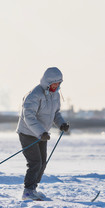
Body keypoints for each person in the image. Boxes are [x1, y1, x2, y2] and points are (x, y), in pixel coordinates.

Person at [16, 67, 70, 200]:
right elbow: (29, 117)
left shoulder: (55, 95)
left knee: (42, 163)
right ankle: (27, 192)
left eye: (59, 83)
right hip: (28, 133)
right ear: (48, 82)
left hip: (42, 134)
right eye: (54, 83)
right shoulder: (34, 95)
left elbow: (55, 113)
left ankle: (33, 189)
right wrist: (41, 133)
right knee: (35, 162)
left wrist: (61, 124)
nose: (57, 86)